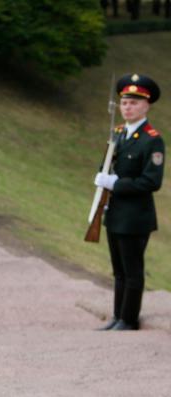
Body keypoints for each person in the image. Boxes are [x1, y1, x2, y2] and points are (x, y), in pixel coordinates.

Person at [93, 73, 164, 331]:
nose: (128, 107)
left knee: (133, 271)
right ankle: (118, 316)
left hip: (135, 216)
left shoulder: (151, 139)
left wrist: (116, 184)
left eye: (134, 103)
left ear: (146, 106)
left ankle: (130, 319)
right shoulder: (118, 134)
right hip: (115, 212)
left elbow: (151, 181)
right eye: (124, 103)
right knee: (119, 271)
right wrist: (102, 177)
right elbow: (108, 165)